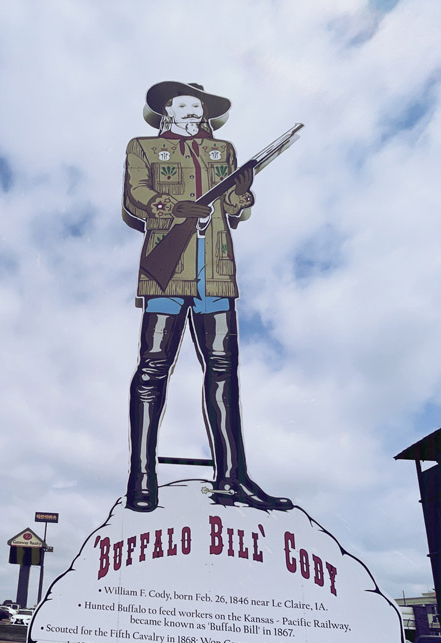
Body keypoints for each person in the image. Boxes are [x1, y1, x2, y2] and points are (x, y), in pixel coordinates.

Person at [122, 81, 292, 514]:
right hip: (167, 273)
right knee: (152, 369)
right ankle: (141, 478)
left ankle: (232, 477)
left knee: (223, 371)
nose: (193, 111)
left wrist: (242, 191)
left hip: (214, 272)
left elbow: (233, 207)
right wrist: (172, 206)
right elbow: (136, 194)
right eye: (184, 104)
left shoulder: (223, 151)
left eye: (198, 106)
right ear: (168, 109)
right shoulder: (143, 147)